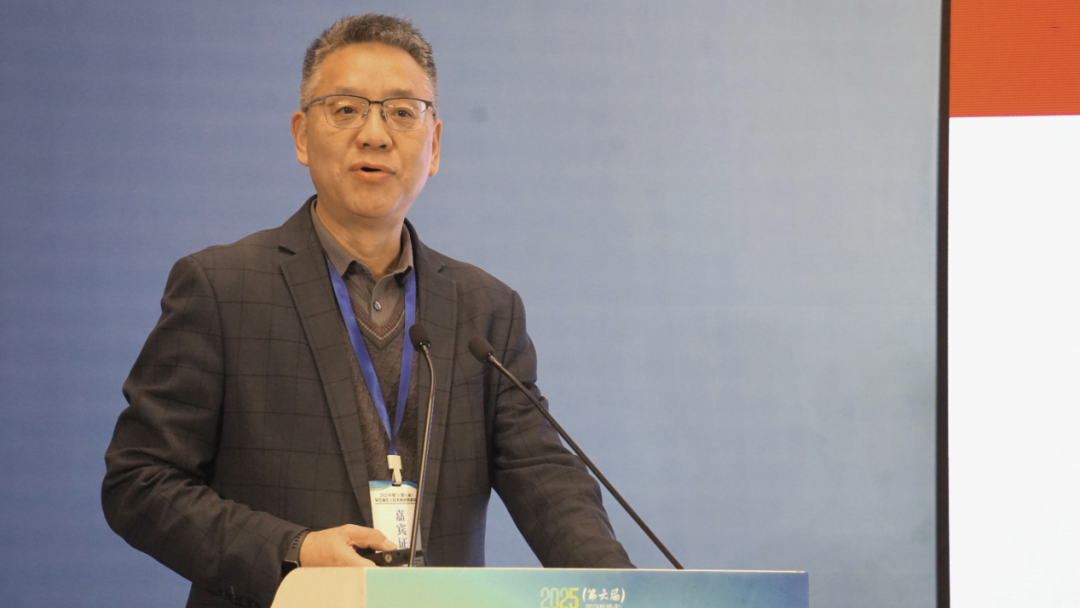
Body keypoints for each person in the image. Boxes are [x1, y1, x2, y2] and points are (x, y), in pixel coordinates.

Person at [102, 13, 632, 608]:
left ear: (434, 146)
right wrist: (294, 550)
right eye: (347, 109)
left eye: (403, 112)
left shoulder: (485, 308)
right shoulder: (222, 288)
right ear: (302, 135)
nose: (375, 134)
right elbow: (139, 482)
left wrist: (626, 590)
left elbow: (546, 479)